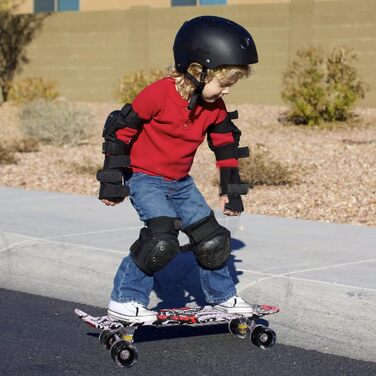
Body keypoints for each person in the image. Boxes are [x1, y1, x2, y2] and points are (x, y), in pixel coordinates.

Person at [96, 15, 258, 323]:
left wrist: (231, 190)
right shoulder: (157, 94)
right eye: (223, 84)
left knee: (213, 240)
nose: (225, 91)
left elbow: (225, 146)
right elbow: (120, 132)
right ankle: (125, 299)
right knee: (161, 240)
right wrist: (112, 182)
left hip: (181, 183)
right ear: (197, 71)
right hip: (145, 179)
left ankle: (222, 298)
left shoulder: (215, 109)